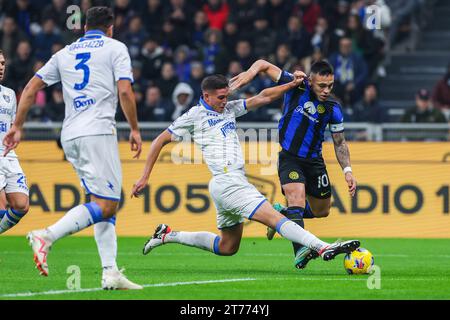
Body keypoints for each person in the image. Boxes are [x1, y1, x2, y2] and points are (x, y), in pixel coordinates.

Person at [131, 73, 360, 264]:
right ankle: (323, 247)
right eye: (220, 97)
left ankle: (168, 236)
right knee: (277, 220)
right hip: (228, 182)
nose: (224, 101)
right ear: (206, 96)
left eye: (226, 96)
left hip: (226, 184)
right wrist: (144, 177)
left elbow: (263, 97)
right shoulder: (194, 116)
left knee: (227, 246)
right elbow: (159, 141)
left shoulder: (228, 108)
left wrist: (290, 85)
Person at [2, 6, 143, 290]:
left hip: (71, 135)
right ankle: (47, 236)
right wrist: (136, 129)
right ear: (110, 27)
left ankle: (110, 272)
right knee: (107, 203)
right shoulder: (116, 48)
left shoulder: (65, 52)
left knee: (101, 202)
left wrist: (17, 126)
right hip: (98, 132)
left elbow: (30, 88)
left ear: (84, 26)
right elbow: (125, 91)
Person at [230, 59, 358, 269]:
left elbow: (340, 142)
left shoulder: (333, 109)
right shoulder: (295, 85)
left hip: (314, 161)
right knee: (296, 200)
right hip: (290, 158)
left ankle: (283, 212)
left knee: (321, 211)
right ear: (310, 81)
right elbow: (263, 64)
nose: (326, 90)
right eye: (322, 86)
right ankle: (300, 251)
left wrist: (348, 171)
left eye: (330, 86)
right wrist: (249, 74)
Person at [0, 49, 30, 235]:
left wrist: (16, 133)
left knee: (21, 205)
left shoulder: (9, 95)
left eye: (2, 63)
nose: (0, 67)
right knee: (1, 208)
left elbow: (12, 126)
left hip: (8, 155)